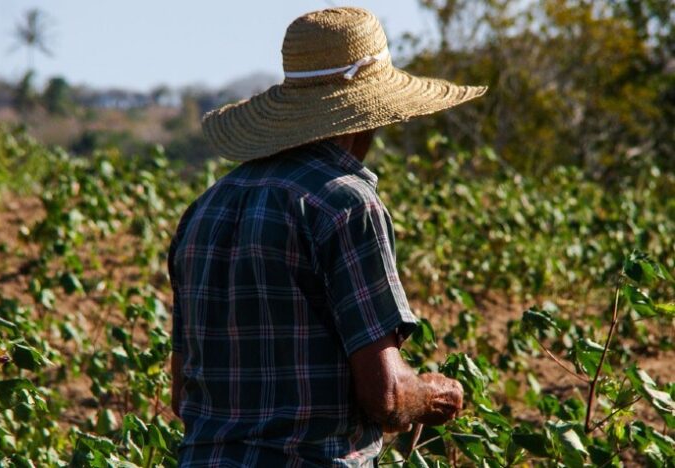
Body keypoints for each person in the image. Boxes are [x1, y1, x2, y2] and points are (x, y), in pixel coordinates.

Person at [168, 7, 487, 467]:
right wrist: (434, 393)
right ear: (374, 114)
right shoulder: (346, 204)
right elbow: (388, 396)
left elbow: (184, 396)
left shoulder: (205, 209)